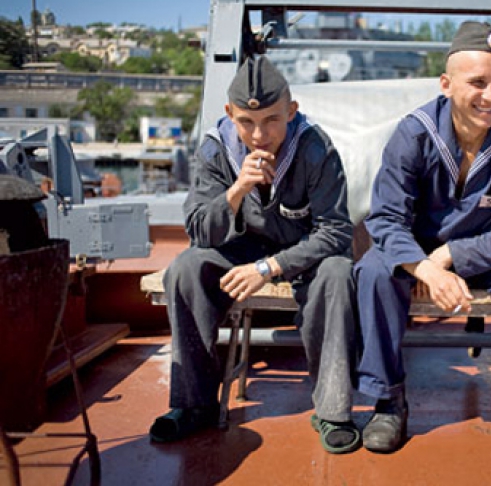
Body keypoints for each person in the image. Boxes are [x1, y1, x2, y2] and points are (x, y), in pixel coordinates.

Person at [354, 21, 491, 459]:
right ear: (446, 85)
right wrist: (426, 268)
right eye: (478, 83)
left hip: (484, 251)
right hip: (416, 253)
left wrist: (452, 255)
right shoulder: (414, 134)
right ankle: (388, 401)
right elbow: (386, 219)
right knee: (372, 270)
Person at [149, 55, 361, 454]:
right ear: (230, 114)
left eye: (272, 120)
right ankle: (193, 404)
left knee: (337, 273)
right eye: (246, 122)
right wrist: (237, 191)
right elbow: (199, 231)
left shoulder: (316, 149)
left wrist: (268, 268)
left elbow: (335, 231)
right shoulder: (215, 149)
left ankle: (333, 411)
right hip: (241, 249)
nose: (259, 134)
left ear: (291, 111)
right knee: (186, 268)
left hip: (305, 254)